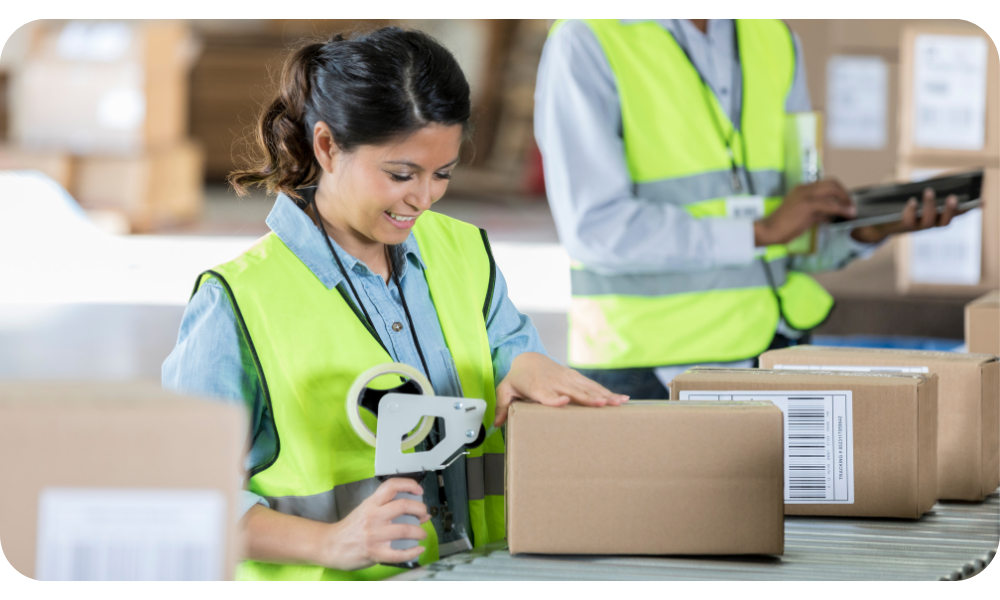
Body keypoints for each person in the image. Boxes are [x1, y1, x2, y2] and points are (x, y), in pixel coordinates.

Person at [162, 27, 627, 582]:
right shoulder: (237, 302)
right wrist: (331, 542)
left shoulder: (464, 253)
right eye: (401, 174)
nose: (423, 198)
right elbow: (182, 498)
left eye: (443, 174)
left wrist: (527, 365)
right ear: (328, 146)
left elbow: (506, 346)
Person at [535, 18, 961, 399]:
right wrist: (759, 231)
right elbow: (595, 228)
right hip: (646, 370)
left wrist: (862, 230)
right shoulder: (587, 39)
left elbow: (792, 224)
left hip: (775, 350)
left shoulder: (773, 36)